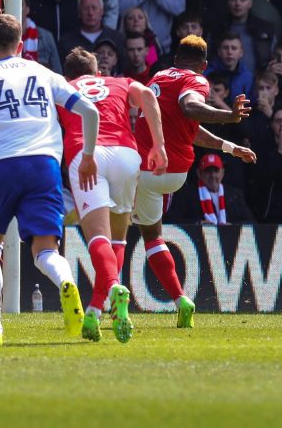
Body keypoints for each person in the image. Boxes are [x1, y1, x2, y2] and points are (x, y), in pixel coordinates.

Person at [0, 13, 100, 346]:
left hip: (1, 167)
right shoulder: (42, 73)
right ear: (19, 44)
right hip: (43, 166)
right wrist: (86, 156)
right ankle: (65, 283)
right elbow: (91, 111)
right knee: (45, 252)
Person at [130, 35, 256, 329]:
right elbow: (190, 118)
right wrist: (230, 144)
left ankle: (110, 297)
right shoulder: (197, 80)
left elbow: (187, 109)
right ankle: (181, 301)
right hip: (175, 173)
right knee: (149, 230)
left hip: (147, 169)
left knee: (139, 234)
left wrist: (227, 117)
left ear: (176, 60)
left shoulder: (159, 78)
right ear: (204, 65)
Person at [59, 47, 166, 343]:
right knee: (118, 238)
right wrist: (159, 145)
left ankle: (116, 288)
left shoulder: (64, 87)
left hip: (88, 154)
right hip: (126, 155)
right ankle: (96, 310)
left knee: (97, 238)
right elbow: (147, 96)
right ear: (98, 73)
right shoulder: (119, 82)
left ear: (68, 74)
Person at [166, 153, 254, 224]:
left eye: (216, 171)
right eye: (208, 171)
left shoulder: (235, 196)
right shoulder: (186, 195)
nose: (212, 175)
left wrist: (232, 227)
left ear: (222, 173)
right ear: (199, 173)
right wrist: (198, 223)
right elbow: (171, 221)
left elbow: (251, 222)